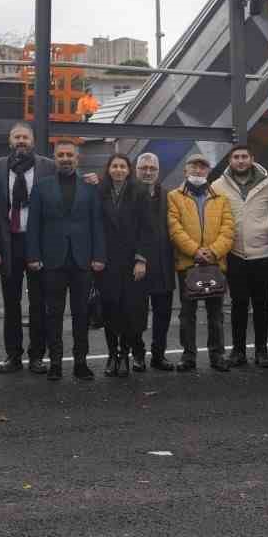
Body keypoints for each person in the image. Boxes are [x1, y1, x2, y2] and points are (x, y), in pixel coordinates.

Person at [26, 139, 104, 381]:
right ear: (55, 158)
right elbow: (34, 224)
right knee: (53, 315)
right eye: (61, 155)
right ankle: (56, 363)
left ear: (77, 159)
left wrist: (99, 256)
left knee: (82, 314)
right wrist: (33, 255)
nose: (65, 159)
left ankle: (81, 362)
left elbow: (97, 223)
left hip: (82, 261)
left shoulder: (89, 187)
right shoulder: (41, 187)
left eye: (70, 155)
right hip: (52, 261)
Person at [0, 122, 55, 374]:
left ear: (33, 141)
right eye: (16, 137)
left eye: (25, 137)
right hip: (9, 243)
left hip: (37, 243)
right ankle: (13, 355)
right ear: (10, 141)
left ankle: (37, 355)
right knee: (11, 302)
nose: (21, 141)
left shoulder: (48, 166)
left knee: (39, 302)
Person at [168, 151, 234, 372]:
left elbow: (228, 230)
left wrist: (213, 252)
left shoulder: (221, 198)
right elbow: (174, 228)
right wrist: (195, 251)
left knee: (216, 314)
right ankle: (188, 356)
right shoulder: (174, 197)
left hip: (215, 264)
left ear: (208, 171)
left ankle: (217, 355)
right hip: (188, 264)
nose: (198, 170)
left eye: (202, 167)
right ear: (185, 170)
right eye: (194, 166)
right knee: (187, 314)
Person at [212, 144, 268, 368]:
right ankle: (238, 351)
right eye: (236, 157)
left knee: (261, 304)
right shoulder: (217, 186)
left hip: (263, 254)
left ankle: (261, 351)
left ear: (252, 159)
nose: (240, 161)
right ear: (230, 161)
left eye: (244, 157)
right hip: (234, 254)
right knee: (238, 304)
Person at [97, 154, 152, 377]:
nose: (118, 170)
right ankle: (112, 354)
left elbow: (147, 228)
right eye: (114, 166)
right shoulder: (99, 191)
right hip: (107, 262)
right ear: (108, 169)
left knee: (131, 311)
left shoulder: (139, 192)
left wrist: (141, 259)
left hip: (132, 262)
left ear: (129, 170)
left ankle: (128, 353)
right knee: (110, 310)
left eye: (122, 166)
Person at [133, 153, 175, 371]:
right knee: (136, 314)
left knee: (163, 315)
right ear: (136, 170)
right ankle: (138, 355)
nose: (148, 172)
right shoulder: (128, 195)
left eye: (152, 168)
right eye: (144, 168)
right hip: (136, 266)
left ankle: (159, 355)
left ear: (158, 171)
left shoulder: (169, 196)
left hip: (163, 265)